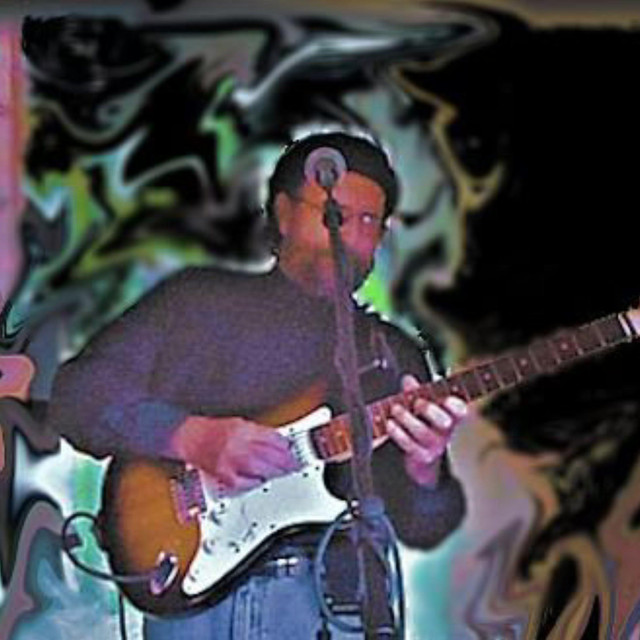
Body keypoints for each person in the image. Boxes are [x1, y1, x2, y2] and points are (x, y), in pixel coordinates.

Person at [46, 132, 468, 639]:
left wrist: (425, 467)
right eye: (333, 215)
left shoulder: (391, 353)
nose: (350, 235)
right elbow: (76, 396)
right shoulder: (197, 302)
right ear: (283, 213)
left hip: (332, 604)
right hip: (196, 603)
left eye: (368, 221)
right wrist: (189, 436)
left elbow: (426, 524)